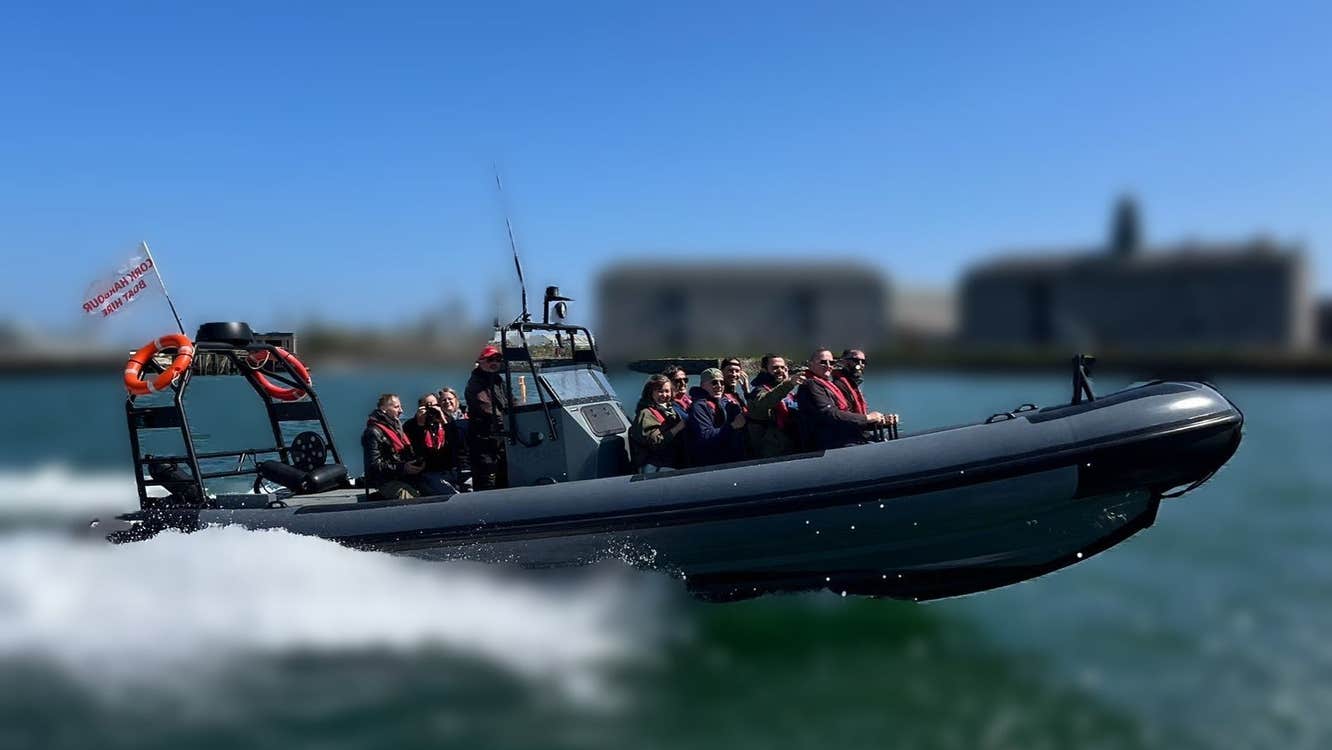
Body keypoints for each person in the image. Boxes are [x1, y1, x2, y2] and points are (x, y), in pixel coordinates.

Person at [361, 393, 454, 499]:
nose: (401, 411)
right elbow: (373, 466)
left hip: (407, 476)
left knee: (437, 492)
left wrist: (417, 463)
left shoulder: (396, 427)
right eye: (396, 407)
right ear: (383, 409)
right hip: (387, 480)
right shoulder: (373, 432)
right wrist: (403, 467)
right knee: (411, 498)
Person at [796, 349, 887, 450]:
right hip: (829, 443)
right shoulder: (811, 385)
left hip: (844, 437)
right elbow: (830, 414)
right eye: (823, 362)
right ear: (810, 365)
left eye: (831, 363)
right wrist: (867, 418)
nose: (828, 366)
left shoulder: (827, 384)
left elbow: (847, 414)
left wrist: (875, 420)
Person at [402, 392, 470, 491]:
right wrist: (420, 425)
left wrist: (443, 420)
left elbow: (457, 443)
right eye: (427, 407)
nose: (432, 410)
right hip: (428, 471)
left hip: (449, 469)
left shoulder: (446, 421)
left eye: (435, 405)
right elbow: (414, 449)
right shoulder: (411, 425)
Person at [465, 344, 510, 491]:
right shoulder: (475, 384)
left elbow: (511, 400)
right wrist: (508, 422)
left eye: (498, 359)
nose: (495, 362)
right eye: (491, 359)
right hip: (484, 441)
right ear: (481, 361)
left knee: (504, 477)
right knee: (487, 481)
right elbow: (487, 409)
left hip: (501, 438)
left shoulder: (498, 380)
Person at [685, 367, 747, 466]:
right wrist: (732, 426)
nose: (719, 386)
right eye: (714, 382)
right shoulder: (698, 407)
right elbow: (705, 436)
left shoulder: (725, 402)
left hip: (731, 458)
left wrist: (747, 393)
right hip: (711, 462)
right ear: (702, 385)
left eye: (721, 383)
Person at [746, 353, 805, 458]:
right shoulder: (758, 391)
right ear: (764, 370)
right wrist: (788, 383)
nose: (780, 370)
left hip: (792, 444)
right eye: (775, 368)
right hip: (773, 451)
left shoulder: (788, 392)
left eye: (783, 367)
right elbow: (765, 402)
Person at [629, 374, 687, 471]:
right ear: (650, 392)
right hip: (656, 465)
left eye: (667, 391)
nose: (664, 395)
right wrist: (677, 428)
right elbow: (655, 442)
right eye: (660, 391)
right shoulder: (646, 414)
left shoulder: (670, 409)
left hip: (672, 460)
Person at [835, 349, 899, 436]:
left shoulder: (852, 383)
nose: (860, 364)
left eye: (863, 361)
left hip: (858, 430)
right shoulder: (837, 383)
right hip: (846, 435)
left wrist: (881, 419)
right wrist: (869, 418)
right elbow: (843, 415)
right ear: (844, 362)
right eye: (856, 361)